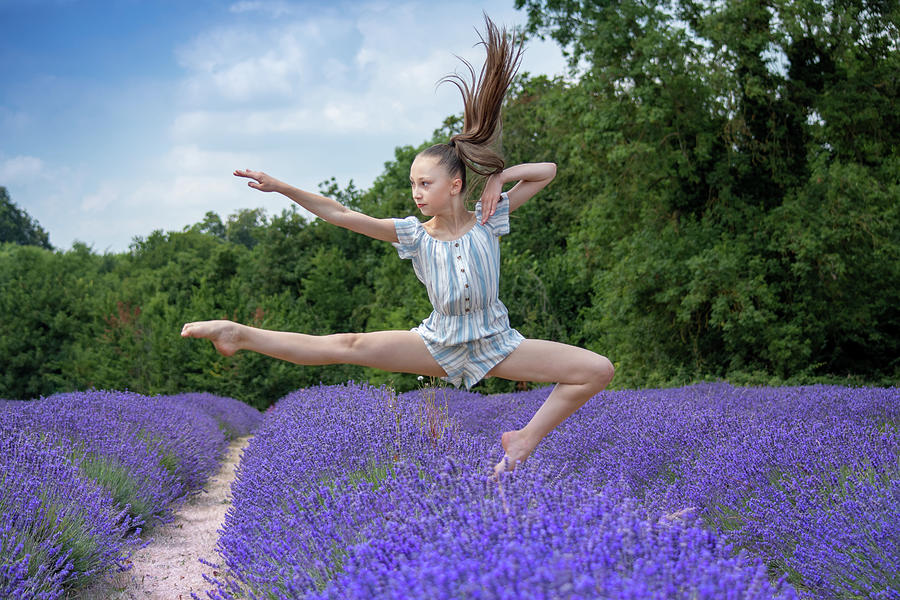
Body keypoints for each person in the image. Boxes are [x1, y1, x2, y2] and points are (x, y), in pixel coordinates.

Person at [181, 15, 614, 477]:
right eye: (413, 183)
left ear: (455, 183)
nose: (416, 192)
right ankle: (238, 334)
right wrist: (282, 187)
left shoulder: (491, 216)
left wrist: (500, 179)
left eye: (424, 182)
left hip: (497, 343)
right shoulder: (414, 233)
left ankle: (524, 439)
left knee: (597, 369)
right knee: (345, 345)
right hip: (439, 342)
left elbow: (546, 171)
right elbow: (341, 214)